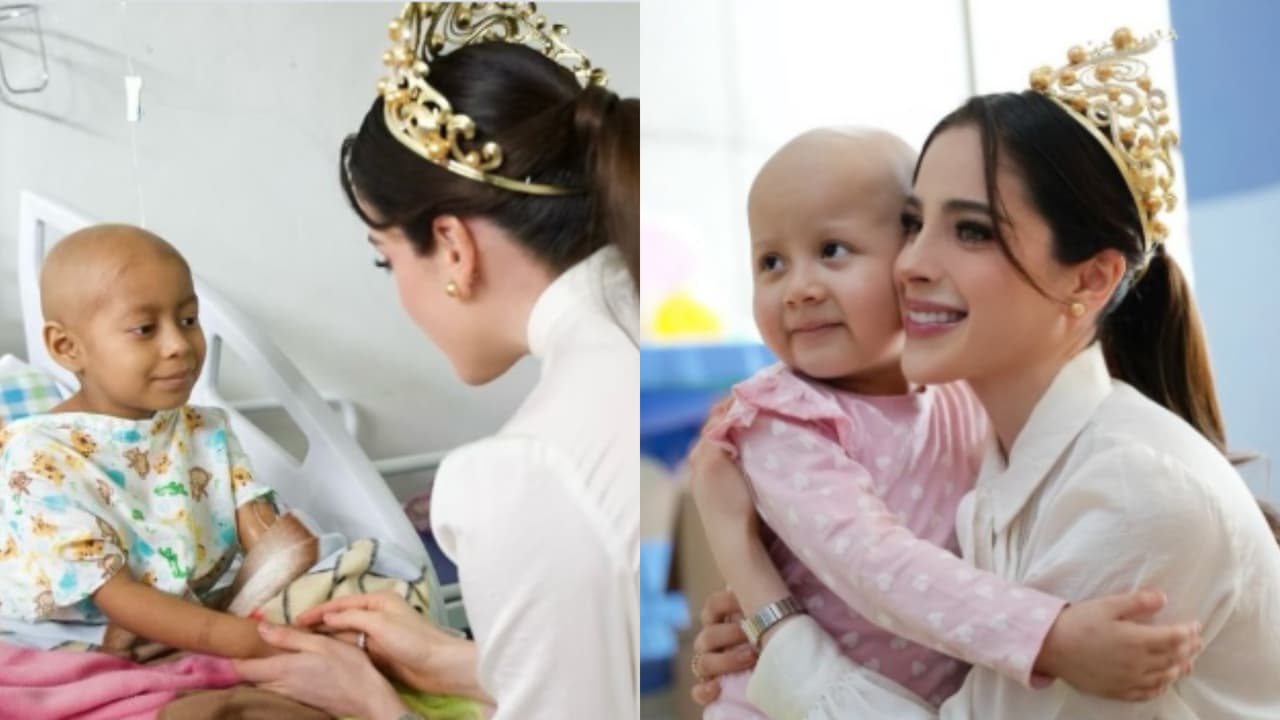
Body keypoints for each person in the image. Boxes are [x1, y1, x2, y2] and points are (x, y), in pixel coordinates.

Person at [689, 27, 1280, 718]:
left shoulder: (1127, 492)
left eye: (970, 230)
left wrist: (769, 608)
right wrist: (769, 627)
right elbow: (873, 571)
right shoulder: (991, 439)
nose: (911, 263)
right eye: (916, 224)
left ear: (1090, 279)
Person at [234, 4, 640, 719]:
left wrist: (375, 707)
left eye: (384, 257)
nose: (397, 290)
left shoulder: (522, 477)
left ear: (452, 245)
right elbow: (619, 663)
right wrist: (458, 661)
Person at [0, 224, 285, 659]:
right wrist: (250, 642)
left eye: (188, 320)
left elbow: (267, 538)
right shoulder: (41, 458)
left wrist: (301, 586)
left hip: (196, 606)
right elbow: (113, 595)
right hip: (73, 624)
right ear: (67, 347)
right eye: (145, 329)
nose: (179, 345)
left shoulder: (204, 428)